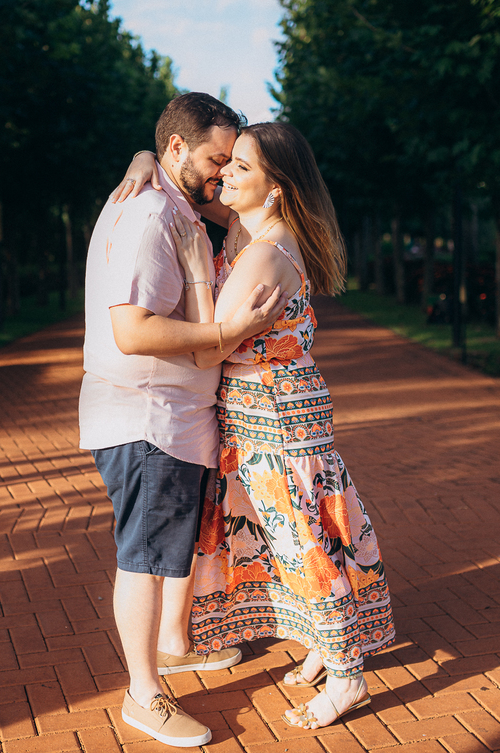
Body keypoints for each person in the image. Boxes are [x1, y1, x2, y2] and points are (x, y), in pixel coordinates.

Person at [117, 122, 395, 730]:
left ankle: (348, 676)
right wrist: (145, 157)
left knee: (301, 544)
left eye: (241, 167)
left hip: (274, 421)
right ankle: (328, 645)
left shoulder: (265, 252)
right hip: (274, 416)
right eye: (229, 163)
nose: (226, 175)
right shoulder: (253, 229)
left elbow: (210, 350)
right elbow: (186, 181)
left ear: (276, 188)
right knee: (294, 540)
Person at [80, 93, 288, 747]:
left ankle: (171, 646)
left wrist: (144, 154)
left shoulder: (176, 204)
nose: (221, 174)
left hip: (170, 418)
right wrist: (231, 330)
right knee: (142, 558)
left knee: (165, 552)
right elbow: (132, 328)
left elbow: (264, 194)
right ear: (176, 149)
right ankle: (145, 695)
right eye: (213, 160)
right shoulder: (151, 214)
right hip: (147, 418)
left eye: (230, 162)